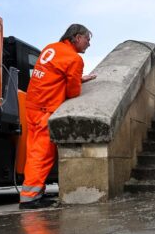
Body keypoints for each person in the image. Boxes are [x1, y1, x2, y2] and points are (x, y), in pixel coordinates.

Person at [19, 24, 97, 209]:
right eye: (87, 39)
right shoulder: (74, 59)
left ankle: (34, 192)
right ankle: (29, 197)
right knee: (42, 154)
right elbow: (72, 93)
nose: (89, 44)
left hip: (32, 105)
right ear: (77, 37)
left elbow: (53, 74)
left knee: (33, 151)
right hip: (46, 108)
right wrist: (77, 80)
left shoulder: (51, 48)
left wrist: (77, 77)